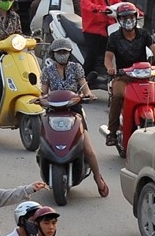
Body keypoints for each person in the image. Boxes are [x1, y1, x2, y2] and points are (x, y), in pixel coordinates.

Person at [36, 44, 108, 196]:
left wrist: (87, 95)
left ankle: (97, 178)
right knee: (43, 144)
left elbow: (84, 86)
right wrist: (40, 99)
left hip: (74, 111)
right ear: (53, 54)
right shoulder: (47, 71)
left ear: (69, 53)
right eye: (59, 52)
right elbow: (43, 92)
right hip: (52, 112)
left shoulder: (76, 68)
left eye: (65, 52)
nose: (62, 54)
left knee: (88, 149)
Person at [104, 2, 155, 145]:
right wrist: (110, 68)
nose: (128, 20)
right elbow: (108, 57)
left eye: (131, 17)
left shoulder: (143, 34)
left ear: (136, 17)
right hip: (123, 76)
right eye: (124, 18)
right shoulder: (114, 37)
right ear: (119, 20)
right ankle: (112, 132)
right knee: (117, 96)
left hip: (144, 76)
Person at [81, 0, 118, 80]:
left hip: (109, 24)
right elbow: (85, 3)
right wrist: (99, 9)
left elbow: (117, 1)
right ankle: (83, 82)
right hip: (93, 26)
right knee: (91, 55)